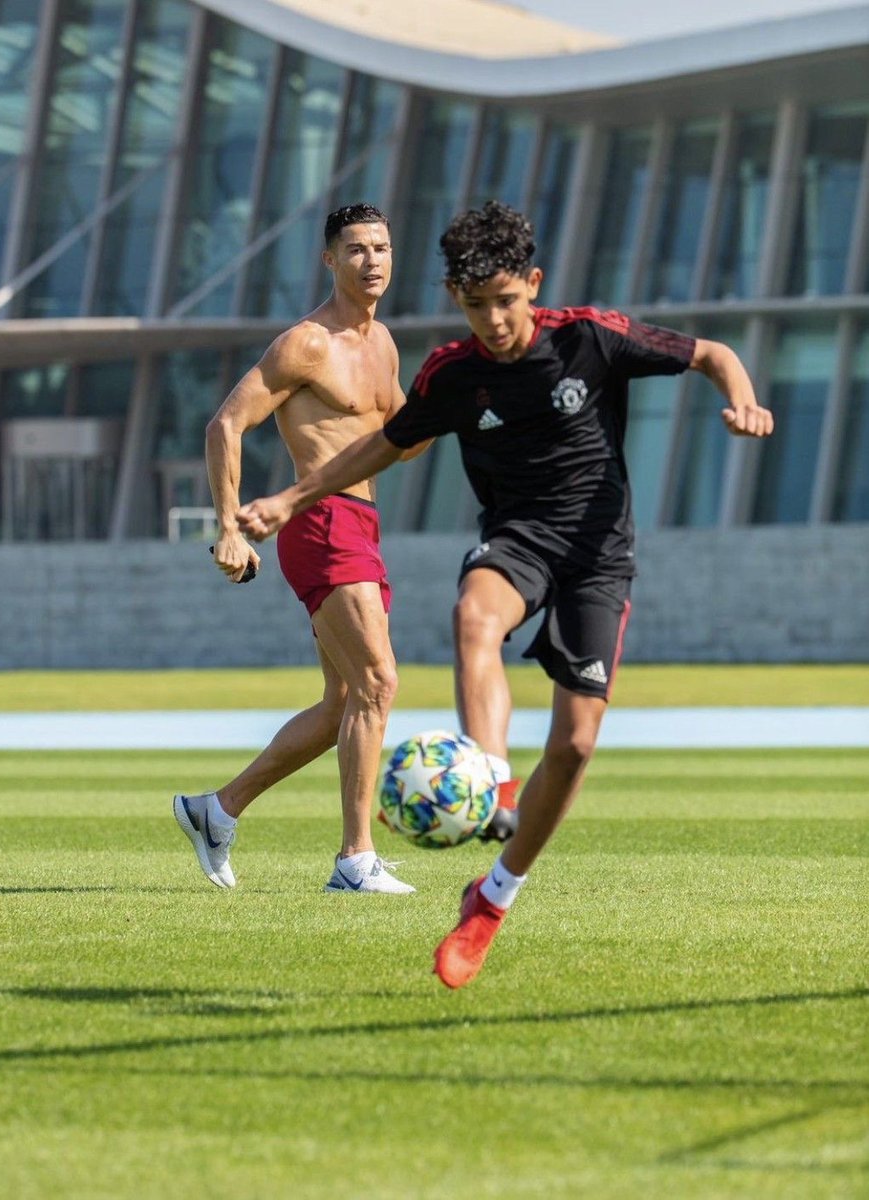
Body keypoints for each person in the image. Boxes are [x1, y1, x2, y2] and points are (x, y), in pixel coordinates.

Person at [236, 200, 775, 984]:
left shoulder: (588, 337)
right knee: (472, 617)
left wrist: (744, 398)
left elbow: (710, 352)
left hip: (597, 556)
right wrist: (290, 499)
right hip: (515, 538)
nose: (492, 319)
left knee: (577, 745)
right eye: (474, 303)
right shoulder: (454, 375)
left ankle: (491, 898)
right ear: (457, 296)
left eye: (506, 300)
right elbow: (382, 446)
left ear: (533, 285)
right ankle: (489, 780)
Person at [173, 202, 428, 896]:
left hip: (363, 524)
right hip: (320, 525)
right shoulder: (306, 345)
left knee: (343, 700)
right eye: (354, 250)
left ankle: (216, 810)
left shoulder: (383, 346)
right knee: (378, 684)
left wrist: (463, 402)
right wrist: (227, 526)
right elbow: (224, 424)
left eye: (380, 247)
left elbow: (404, 439)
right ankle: (354, 861)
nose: (370, 260)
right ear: (329, 260)